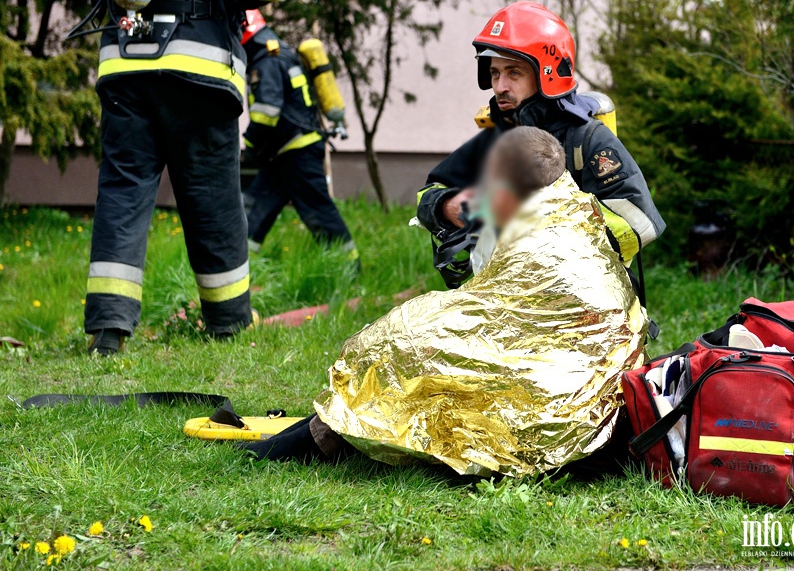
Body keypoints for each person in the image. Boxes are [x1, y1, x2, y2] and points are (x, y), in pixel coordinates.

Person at [239, 127, 647, 476]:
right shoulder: (576, 208)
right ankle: (323, 434)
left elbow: (484, 302)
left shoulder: (514, 220)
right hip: (601, 392)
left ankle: (323, 438)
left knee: (396, 343)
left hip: (562, 393)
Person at [84, 0, 292, 355]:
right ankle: (229, 321)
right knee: (213, 198)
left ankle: (107, 330)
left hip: (124, 64)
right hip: (201, 62)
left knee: (122, 194)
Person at [416, 1, 666, 288]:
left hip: (588, 300)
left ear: (546, 74)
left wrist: (542, 225)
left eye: (514, 73)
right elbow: (427, 193)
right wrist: (448, 206)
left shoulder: (586, 139)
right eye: (495, 73)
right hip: (507, 298)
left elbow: (639, 223)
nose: (500, 86)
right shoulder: (496, 137)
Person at [239, 11, 357, 260]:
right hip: (283, 152)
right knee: (255, 208)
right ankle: (242, 265)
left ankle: (348, 270)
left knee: (318, 212)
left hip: (297, 151)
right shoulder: (277, 53)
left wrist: (250, 144)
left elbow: (267, 112)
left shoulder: (267, 60)